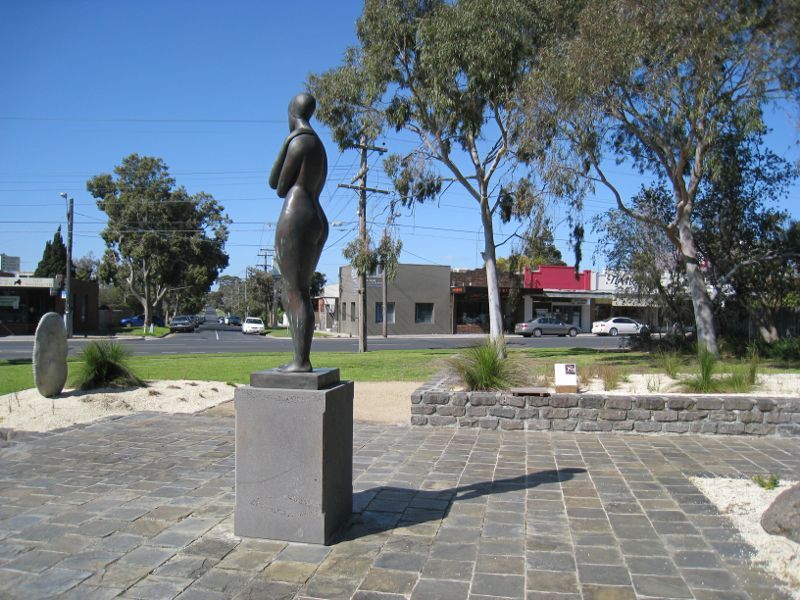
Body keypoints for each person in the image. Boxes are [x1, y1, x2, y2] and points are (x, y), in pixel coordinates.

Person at [269, 93, 328, 372]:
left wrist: (286, 143)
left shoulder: (298, 142)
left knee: (293, 292)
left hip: (297, 214)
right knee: (299, 291)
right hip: (317, 214)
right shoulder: (319, 145)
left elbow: (277, 185)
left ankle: (301, 361)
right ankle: (300, 358)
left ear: (292, 112)